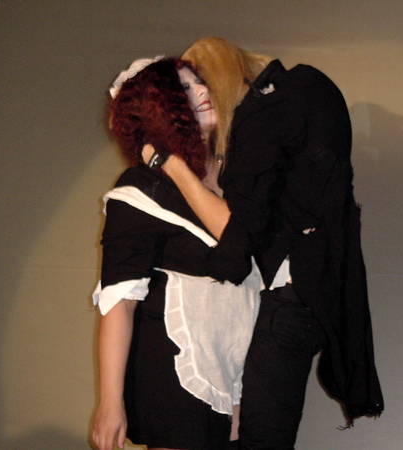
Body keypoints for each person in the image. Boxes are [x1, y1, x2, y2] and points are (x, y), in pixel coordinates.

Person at [143, 37, 384, 449]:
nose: (195, 98)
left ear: (218, 75)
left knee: (258, 441)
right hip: (306, 298)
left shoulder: (261, 115)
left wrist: (171, 168)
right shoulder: (306, 90)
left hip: (285, 303)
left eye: (197, 83)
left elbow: (237, 247)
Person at [91, 56, 261, 450]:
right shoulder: (141, 189)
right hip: (175, 362)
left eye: (199, 82)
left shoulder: (239, 179)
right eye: (183, 88)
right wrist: (110, 401)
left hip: (239, 361)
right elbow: (119, 301)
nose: (202, 92)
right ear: (158, 108)